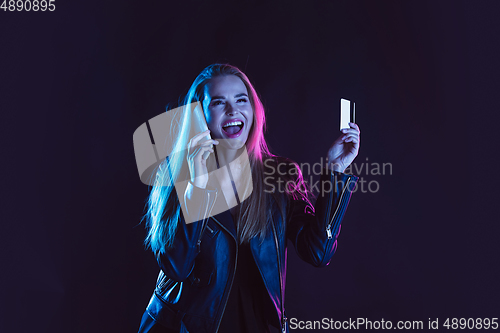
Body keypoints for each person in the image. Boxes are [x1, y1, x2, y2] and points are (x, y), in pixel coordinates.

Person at [138, 64, 361, 333]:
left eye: (241, 100)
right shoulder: (175, 175)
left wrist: (336, 171)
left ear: (253, 111)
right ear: (199, 117)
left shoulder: (281, 175)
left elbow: (318, 251)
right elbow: (177, 266)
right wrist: (196, 186)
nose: (233, 111)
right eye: (219, 103)